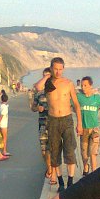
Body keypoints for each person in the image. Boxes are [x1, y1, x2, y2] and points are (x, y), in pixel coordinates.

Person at [35, 57, 82, 191]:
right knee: (55, 153)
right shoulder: (47, 83)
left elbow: (76, 104)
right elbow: (37, 87)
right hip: (53, 120)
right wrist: (47, 76)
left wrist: (79, 123)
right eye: (55, 69)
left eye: (60, 69)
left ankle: (70, 182)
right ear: (51, 68)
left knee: (70, 151)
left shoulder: (68, 83)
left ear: (63, 69)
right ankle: (61, 182)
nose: (58, 72)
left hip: (67, 119)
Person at [31, 67, 53, 178]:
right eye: (44, 76)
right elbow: (33, 107)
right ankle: (49, 168)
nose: (46, 78)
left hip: (54, 124)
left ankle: (52, 170)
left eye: (48, 76)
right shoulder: (39, 94)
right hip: (42, 124)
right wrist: (37, 108)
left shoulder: (55, 91)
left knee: (54, 149)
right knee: (44, 150)